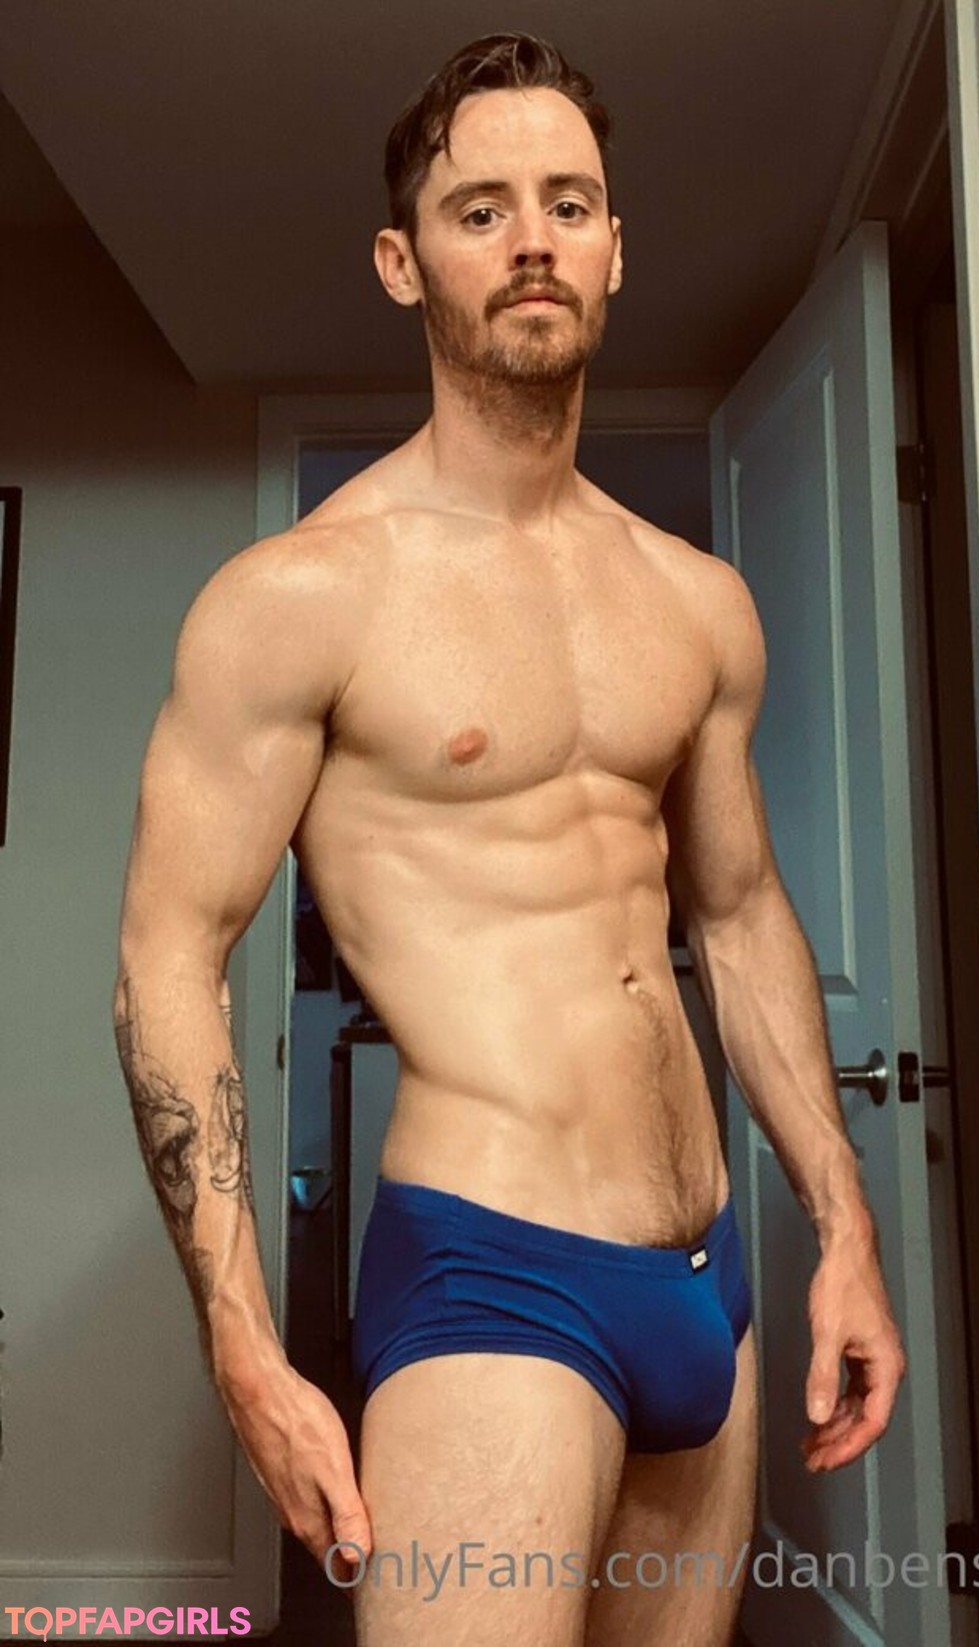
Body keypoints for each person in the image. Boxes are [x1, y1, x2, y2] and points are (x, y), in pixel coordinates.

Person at [112, 32, 906, 1647]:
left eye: (569, 203)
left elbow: (741, 916)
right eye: (482, 210)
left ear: (616, 248)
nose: (533, 239)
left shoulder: (697, 602)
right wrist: (243, 1343)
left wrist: (844, 1227)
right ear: (403, 263)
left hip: (710, 1284)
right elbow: (166, 959)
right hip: (496, 1277)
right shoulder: (303, 597)